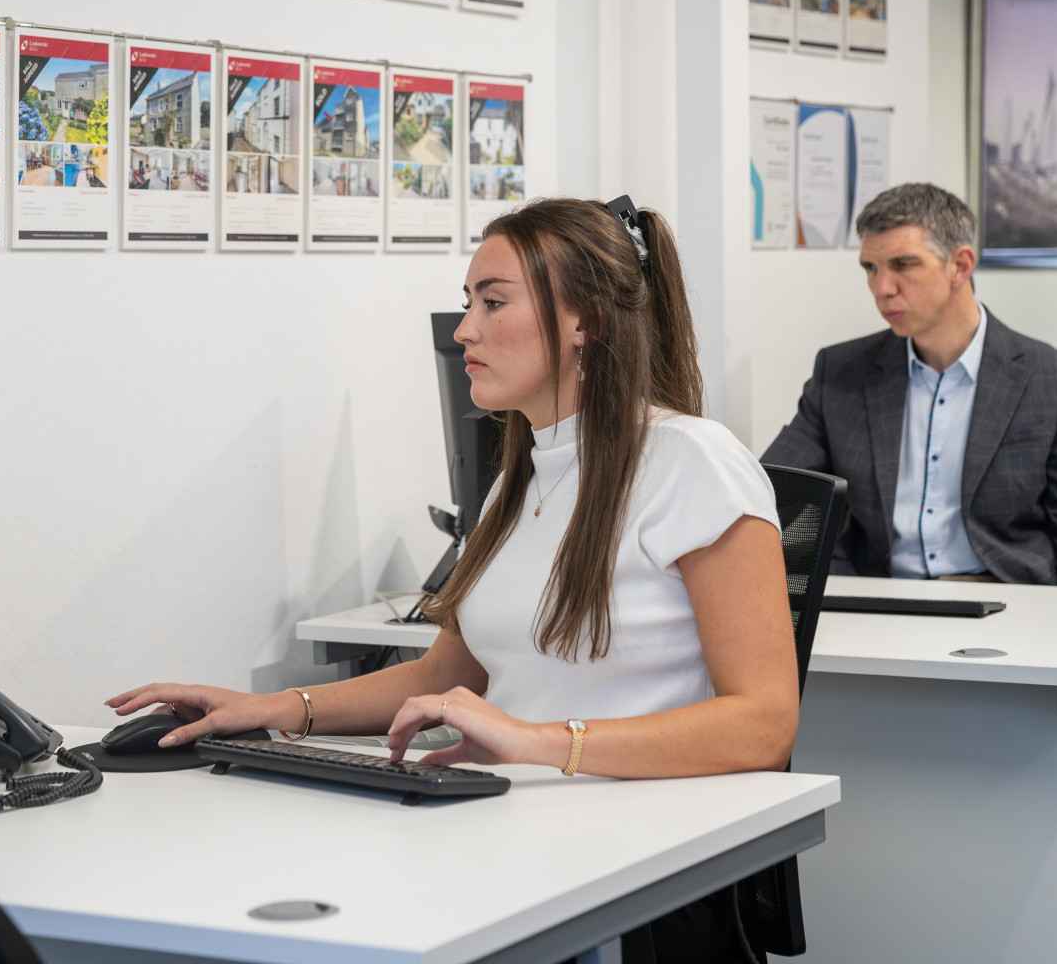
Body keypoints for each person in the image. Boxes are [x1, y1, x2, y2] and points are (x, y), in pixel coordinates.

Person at [110, 198, 798, 962]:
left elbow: (764, 724)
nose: (465, 329)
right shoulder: (520, 477)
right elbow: (445, 675)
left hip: (643, 872)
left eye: (493, 303)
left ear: (588, 322)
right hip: (516, 838)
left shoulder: (693, 462)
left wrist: (534, 742)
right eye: (468, 302)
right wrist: (272, 709)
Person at [762, 182, 1057, 584]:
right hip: (881, 601)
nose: (882, 288)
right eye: (871, 268)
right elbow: (772, 491)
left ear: (960, 266)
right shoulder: (842, 373)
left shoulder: (1050, 378)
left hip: (1008, 601)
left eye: (903, 265)